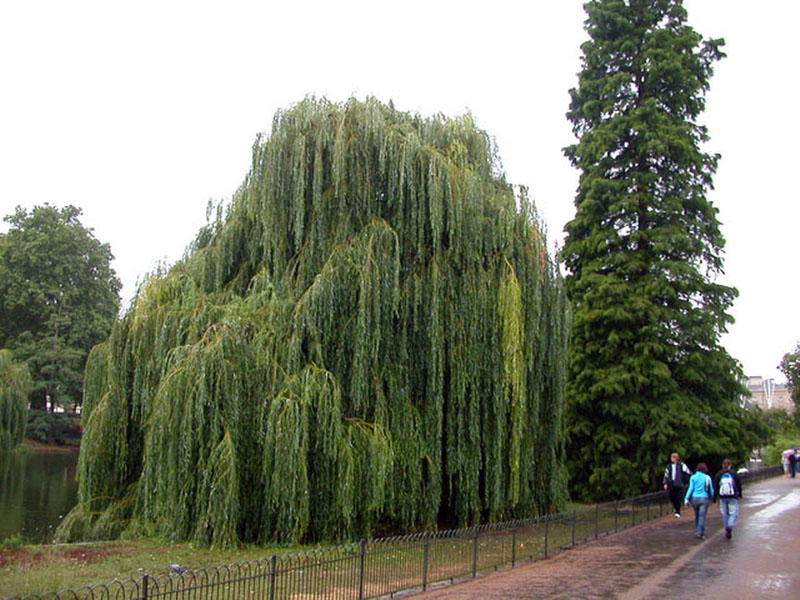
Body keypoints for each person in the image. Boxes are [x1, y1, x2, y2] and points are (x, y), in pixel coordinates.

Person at [714, 458, 743, 539]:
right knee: (733, 513)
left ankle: (727, 529)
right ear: (730, 466)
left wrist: (715, 498)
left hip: (722, 497)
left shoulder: (719, 474)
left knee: (724, 514)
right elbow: (738, 484)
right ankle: (730, 526)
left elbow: (716, 486)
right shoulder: (734, 474)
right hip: (733, 496)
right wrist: (740, 494)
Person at [684, 462, 713, 539]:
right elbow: (711, 489)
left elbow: (691, 488)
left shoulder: (693, 477)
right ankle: (700, 532)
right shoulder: (707, 477)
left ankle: (698, 530)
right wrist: (714, 496)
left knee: (697, 515)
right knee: (702, 516)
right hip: (704, 498)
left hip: (695, 498)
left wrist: (686, 498)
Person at [663, 452, 692, 517]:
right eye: (671, 457)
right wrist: (665, 483)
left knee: (678, 498)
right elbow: (666, 475)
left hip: (679, 483)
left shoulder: (681, 465)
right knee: (672, 497)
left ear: (676, 458)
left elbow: (688, 472)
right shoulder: (669, 466)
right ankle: (676, 508)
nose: (672, 459)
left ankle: (677, 511)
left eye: (673, 457)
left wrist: (686, 480)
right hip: (671, 484)